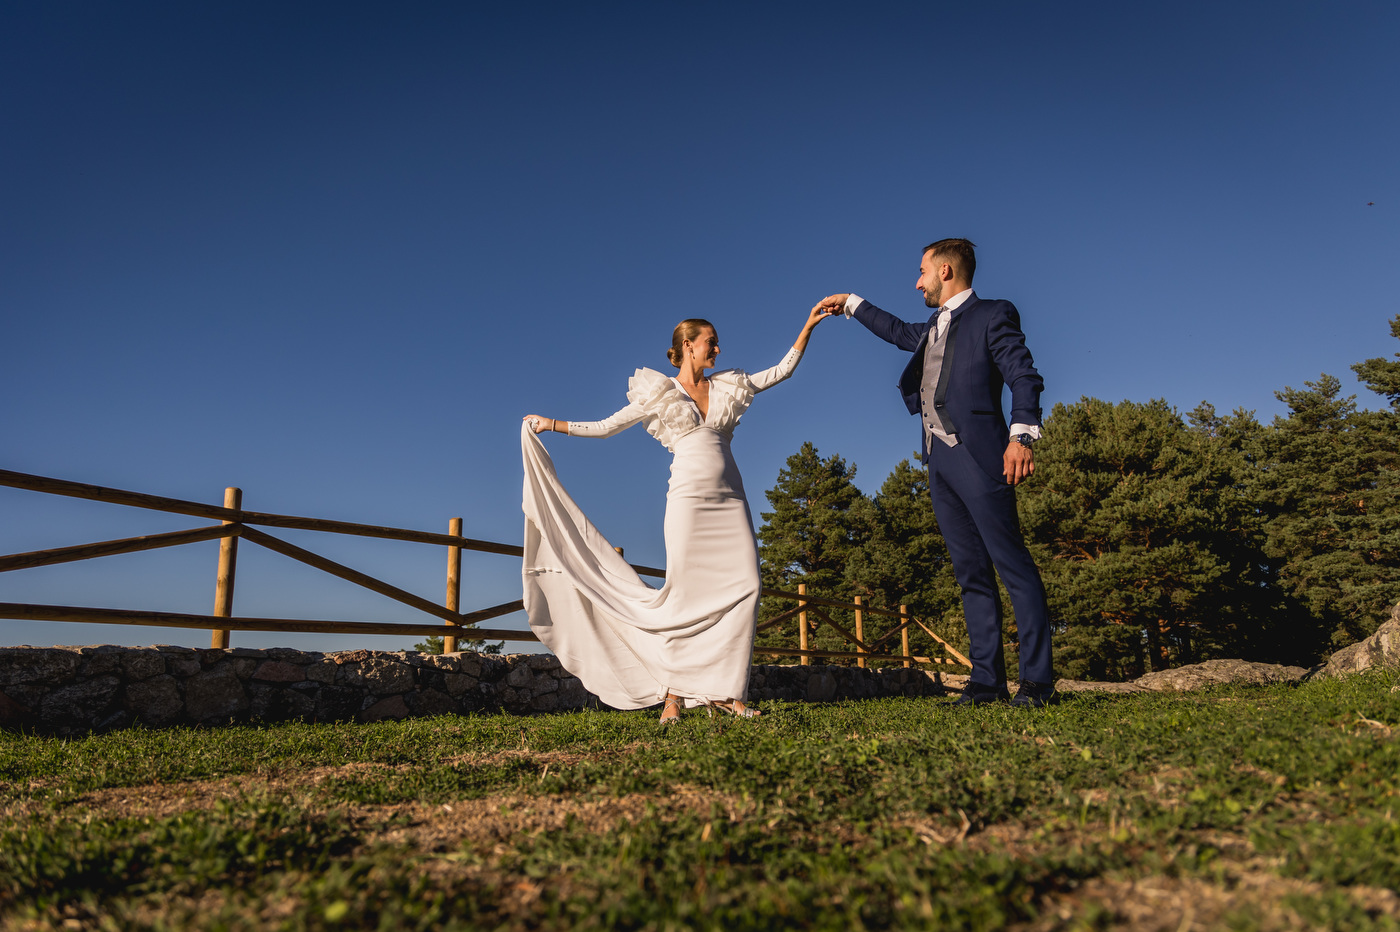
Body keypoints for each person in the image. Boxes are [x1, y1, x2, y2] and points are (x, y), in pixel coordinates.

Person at [521, 304, 834, 724]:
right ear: (688, 346)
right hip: (687, 502)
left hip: (731, 500)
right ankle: (672, 694)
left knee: (747, 587)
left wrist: (808, 325)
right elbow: (605, 426)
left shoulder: (730, 385)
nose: (717, 349)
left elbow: (781, 371)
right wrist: (551, 423)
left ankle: (728, 693)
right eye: (710, 342)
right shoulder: (659, 391)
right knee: (683, 597)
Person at [818, 238, 1058, 707]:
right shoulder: (931, 326)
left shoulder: (994, 315)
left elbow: (1023, 375)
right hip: (939, 460)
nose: (917, 281)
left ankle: (1037, 682)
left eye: (922, 271)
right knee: (970, 572)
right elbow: (894, 330)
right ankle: (987, 682)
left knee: (1013, 567)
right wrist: (851, 304)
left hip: (982, 454)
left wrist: (1021, 435)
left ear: (945, 271)